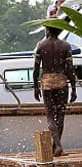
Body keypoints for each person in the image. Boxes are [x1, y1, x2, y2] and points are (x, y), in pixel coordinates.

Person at [33, 24, 77, 157]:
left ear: (47, 30)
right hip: (62, 81)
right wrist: (74, 87)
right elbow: (70, 69)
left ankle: (56, 146)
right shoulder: (65, 46)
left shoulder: (41, 45)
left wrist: (35, 86)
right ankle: (58, 146)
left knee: (50, 115)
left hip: (47, 82)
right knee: (61, 115)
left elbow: (36, 69)